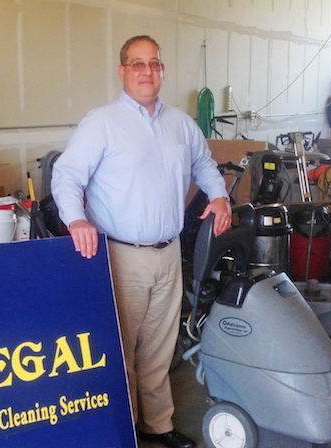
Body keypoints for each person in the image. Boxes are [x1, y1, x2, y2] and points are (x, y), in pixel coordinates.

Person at [51, 35, 232, 448]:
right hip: (118, 256)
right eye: (137, 64)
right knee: (121, 348)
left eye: (154, 64)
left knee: (159, 348)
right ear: (122, 72)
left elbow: (204, 164)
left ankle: (159, 425)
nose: (147, 71)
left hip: (168, 252)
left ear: (162, 71)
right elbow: (67, 175)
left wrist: (219, 194)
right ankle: (125, 429)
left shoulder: (181, 124)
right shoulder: (102, 122)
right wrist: (76, 219)